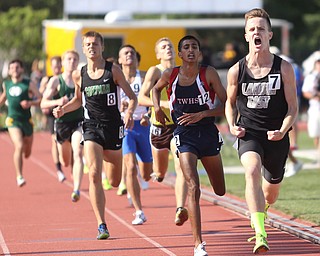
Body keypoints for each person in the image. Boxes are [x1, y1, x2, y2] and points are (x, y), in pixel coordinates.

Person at [225, 8, 298, 254]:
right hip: (249, 133)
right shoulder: (237, 70)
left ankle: (262, 210)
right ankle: (260, 234)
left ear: (270, 35)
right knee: (252, 170)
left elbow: (293, 107)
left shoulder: (284, 68)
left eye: (261, 29)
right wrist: (232, 123)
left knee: (271, 192)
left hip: (276, 135)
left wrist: (282, 130)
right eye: (252, 29)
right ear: (246, 36)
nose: (256, 32)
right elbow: (229, 101)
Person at [53, 31, 137, 239]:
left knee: (115, 181)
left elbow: (132, 97)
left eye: (95, 44)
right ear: (84, 48)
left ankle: (112, 166)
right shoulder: (79, 74)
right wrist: (63, 109)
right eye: (88, 44)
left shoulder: (113, 70)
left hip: (113, 127)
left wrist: (129, 113)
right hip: (91, 127)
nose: (91, 47)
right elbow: (77, 100)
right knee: (93, 173)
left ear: (102, 47)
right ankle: (102, 224)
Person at [152, 35, 226, 256]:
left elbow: (226, 104)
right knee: (193, 185)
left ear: (199, 53)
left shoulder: (208, 73)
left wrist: (204, 112)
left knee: (220, 190)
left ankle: (198, 240)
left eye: (194, 47)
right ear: (180, 54)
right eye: (186, 47)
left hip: (208, 133)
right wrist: (156, 108)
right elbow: (155, 90)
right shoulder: (170, 75)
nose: (191, 50)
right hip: (184, 135)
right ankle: (198, 244)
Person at [138, 37, 189, 226]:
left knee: (181, 167)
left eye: (169, 46)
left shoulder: (183, 71)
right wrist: (162, 104)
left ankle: (179, 208)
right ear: (158, 54)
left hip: (179, 126)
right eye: (163, 47)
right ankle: (158, 173)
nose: (167, 49)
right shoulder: (155, 71)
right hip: (159, 127)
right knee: (159, 171)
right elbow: (142, 98)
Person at [41, 50, 84, 202]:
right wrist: (57, 102)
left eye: (74, 59)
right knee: (65, 161)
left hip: (79, 121)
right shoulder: (56, 81)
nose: (71, 62)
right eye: (69, 59)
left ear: (78, 62)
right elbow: (43, 103)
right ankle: (69, 159)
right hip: (62, 124)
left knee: (78, 152)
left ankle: (76, 189)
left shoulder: (82, 79)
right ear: (63, 63)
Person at [118, 44, 153, 225]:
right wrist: (121, 109)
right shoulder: (115, 79)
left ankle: (141, 178)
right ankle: (139, 211)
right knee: (130, 166)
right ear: (120, 60)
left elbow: (151, 100)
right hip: (125, 127)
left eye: (132, 52)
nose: (129, 55)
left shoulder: (144, 76)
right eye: (125, 53)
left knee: (147, 174)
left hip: (144, 125)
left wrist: (148, 114)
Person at [0, 59, 42, 187]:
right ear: (9, 71)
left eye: (17, 67)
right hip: (13, 120)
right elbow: (3, 98)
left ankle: (25, 149)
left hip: (27, 121)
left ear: (22, 69)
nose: (14, 70)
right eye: (12, 68)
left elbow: (40, 99)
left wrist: (30, 103)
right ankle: (19, 176)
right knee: (18, 146)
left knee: (27, 151)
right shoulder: (6, 84)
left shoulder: (29, 83)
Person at [39, 55, 66, 182]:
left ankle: (70, 163)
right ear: (51, 67)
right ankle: (59, 169)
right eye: (55, 66)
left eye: (59, 65)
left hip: (66, 112)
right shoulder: (48, 79)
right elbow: (42, 96)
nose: (58, 68)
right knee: (54, 140)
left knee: (69, 142)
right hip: (52, 113)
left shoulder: (66, 78)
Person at [302, 58, 320, 167]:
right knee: (315, 133)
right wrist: (315, 96)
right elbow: (305, 92)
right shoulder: (311, 77)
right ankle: (318, 155)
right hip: (315, 107)